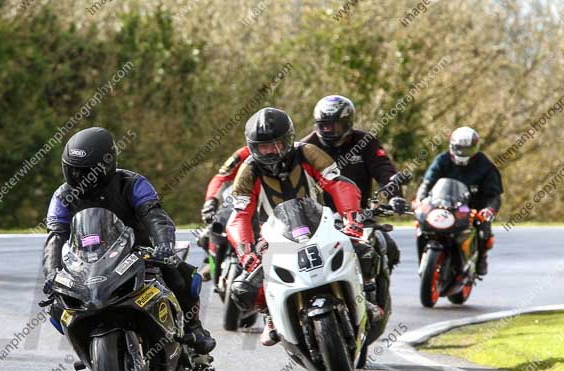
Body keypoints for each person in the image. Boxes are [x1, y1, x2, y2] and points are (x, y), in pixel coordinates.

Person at [43, 127, 216, 355]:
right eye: (73, 170)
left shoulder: (132, 183)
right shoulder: (62, 196)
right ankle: (87, 348)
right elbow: (55, 236)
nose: (79, 177)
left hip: (138, 252)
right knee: (57, 305)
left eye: (87, 172)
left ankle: (194, 327)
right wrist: (52, 272)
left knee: (181, 274)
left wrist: (164, 245)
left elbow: (155, 215)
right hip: (86, 262)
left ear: (106, 165)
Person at [226, 107, 383, 346]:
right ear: (253, 147)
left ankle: (364, 298)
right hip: (274, 235)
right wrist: (245, 251)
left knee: (365, 253)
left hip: (320, 222)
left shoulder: (308, 153)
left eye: (277, 144)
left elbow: (339, 185)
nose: (271, 151)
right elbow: (240, 215)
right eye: (263, 147)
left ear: (288, 139)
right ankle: (270, 315)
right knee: (243, 289)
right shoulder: (248, 171)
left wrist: (352, 220)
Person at [302, 95, 408, 268]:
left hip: (359, 214)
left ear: (347, 123)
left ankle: (377, 283)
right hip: (317, 218)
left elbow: (383, 168)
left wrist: (395, 196)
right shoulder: (306, 147)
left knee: (385, 246)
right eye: (324, 125)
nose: (329, 130)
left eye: (334, 125)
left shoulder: (365, 142)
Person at [415, 126, 503, 275]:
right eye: (459, 148)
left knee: (483, 231)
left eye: (467, 149)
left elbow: (494, 194)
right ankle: (425, 259)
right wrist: (420, 200)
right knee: (422, 225)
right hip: (442, 205)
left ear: (475, 148)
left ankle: (481, 258)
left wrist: (489, 210)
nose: (463, 153)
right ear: (452, 146)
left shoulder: (485, 165)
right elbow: (427, 183)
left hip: (470, 208)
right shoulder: (442, 160)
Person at [197, 145, 250, 280]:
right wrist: (211, 201)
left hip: (269, 205)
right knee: (215, 228)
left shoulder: (292, 153)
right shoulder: (243, 154)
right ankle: (213, 262)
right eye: (263, 146)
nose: (269, 150)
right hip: (240, 201)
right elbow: (221, 177)